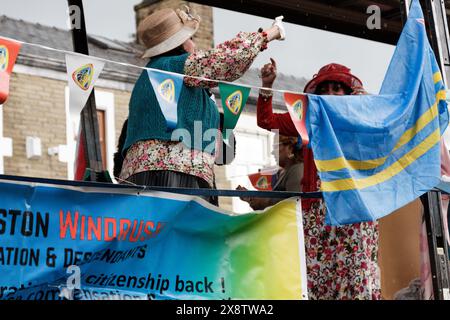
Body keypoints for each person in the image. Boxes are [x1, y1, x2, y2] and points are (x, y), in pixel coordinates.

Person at [119, 7, 285, 204]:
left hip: (147, 177)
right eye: (190, 38)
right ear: (180, 44)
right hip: (175, 174)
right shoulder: (175, 65)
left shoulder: (149, 76)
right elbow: (228, 59)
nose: (194, 44)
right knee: (183, 231)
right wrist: (269, 34)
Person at [256, 59, 380, 300]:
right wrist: (267, 85)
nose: (331, 94)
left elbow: (387, 137)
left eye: (337, 89)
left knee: (356, 275)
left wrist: (368, 106)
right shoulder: (308, 118)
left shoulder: (363, 118)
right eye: (324, 90)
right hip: (317, 210)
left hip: (354, 208)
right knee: (317, 277)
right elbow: (267, 121)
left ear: (348, 93)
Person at [237, 135, 303, 210]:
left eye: (276, 147)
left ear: (290, 149)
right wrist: (250, 198)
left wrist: (252, 198)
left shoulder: (296, 170)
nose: (272, 152)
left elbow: (293, 205)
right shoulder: (284, 172)